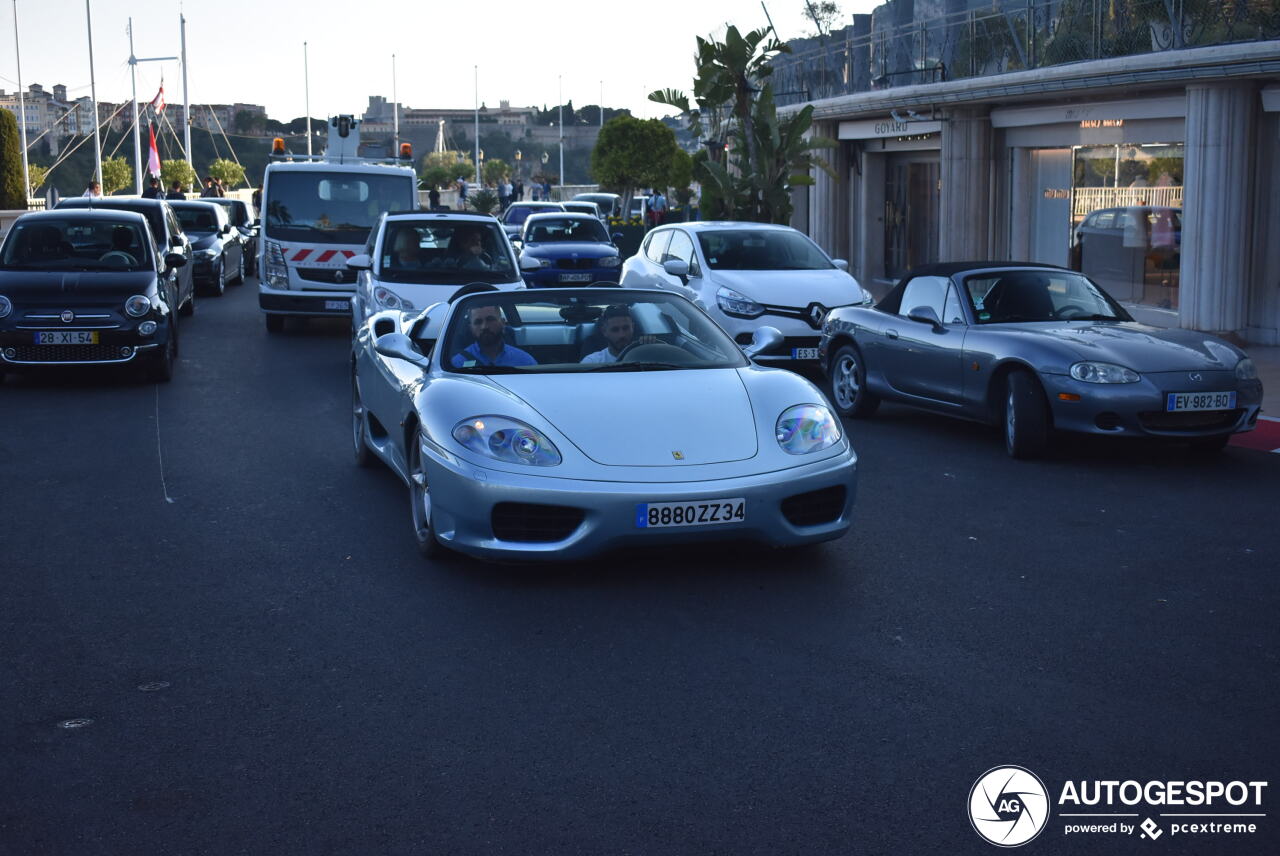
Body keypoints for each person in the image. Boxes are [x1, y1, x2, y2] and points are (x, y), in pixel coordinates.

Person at [451, 304, 536, 368]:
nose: (484, 327)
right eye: (478, 322)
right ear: (471, 328)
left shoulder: (525, 362)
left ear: (502, 323)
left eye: (490, 320)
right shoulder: (458, 363)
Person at [580, 304, 658, 364]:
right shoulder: (592, 362)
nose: (622, 335)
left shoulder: (645, 356)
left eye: (626, 328)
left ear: (633, 328)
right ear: (604, 332)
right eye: (615, 330)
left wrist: (652, 350)